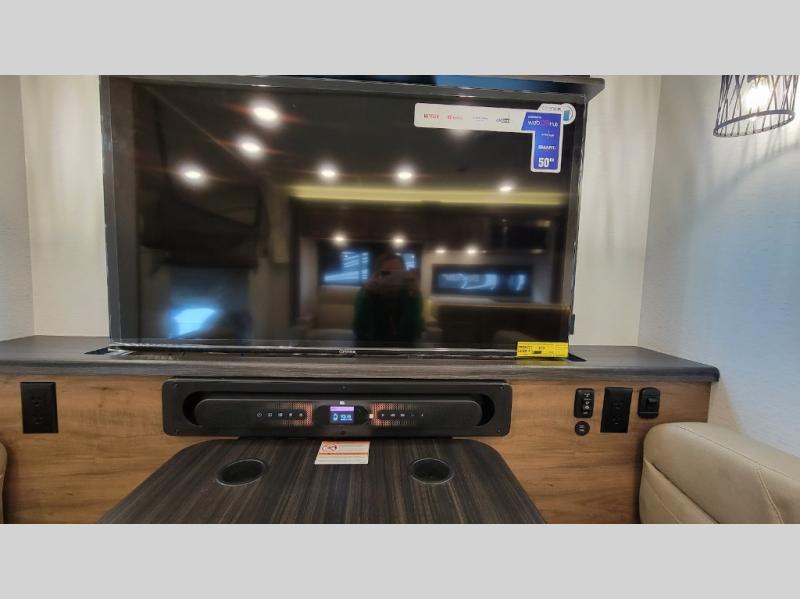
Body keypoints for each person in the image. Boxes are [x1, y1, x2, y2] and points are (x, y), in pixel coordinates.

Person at [353, 253, 423, 344]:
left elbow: (414, 334)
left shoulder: (412, 294)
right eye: (386, 273)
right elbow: (360, 332)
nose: (392, 278)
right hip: (373, 347)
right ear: (377, 275)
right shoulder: (366, 293)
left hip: (404, 348)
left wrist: (413, 298)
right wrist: (367, 297)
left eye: (397, 274)